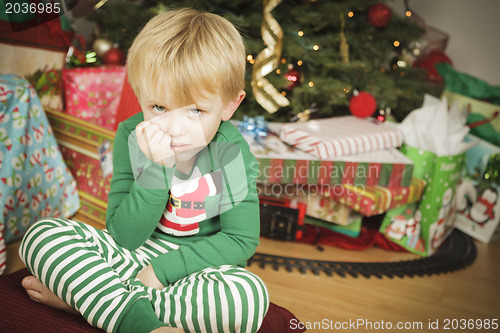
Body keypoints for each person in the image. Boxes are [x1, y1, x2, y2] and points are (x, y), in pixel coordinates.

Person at [19, 8, 269, 333]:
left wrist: (162, 271)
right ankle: (137, 320)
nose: (175, 128)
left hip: (195, 270)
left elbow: (240, 239)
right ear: (140, 96)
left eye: (195, 110)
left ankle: (92, 302)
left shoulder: (232, 152)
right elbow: (123, 236)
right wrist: (157, 169)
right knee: (42, 236)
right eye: (159, 107)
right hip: (130, 254)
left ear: (229, 105)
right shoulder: (130, 135)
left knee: (247, 298)